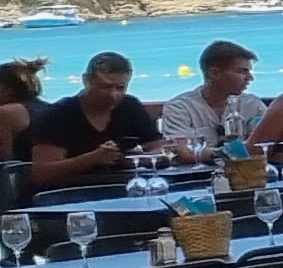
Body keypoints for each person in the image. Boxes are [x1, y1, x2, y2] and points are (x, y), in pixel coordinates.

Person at [24, 51, 157, 189]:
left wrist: (137, 158)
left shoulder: (130, 106)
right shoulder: (58, 114)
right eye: (105, 87)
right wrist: (92, 159)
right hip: (72, 190)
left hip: (125, 186)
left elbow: (157, 146)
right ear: (86, 80)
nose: (113, 95)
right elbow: (41, 174)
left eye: (120, 88)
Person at [156, 39, 263, 161]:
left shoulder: (252, 104)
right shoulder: (180, 108)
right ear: (214, 73)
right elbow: (181, 151)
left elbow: (264, 141)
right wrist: (228, 152)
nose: (250, 78)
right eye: (242, 72)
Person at [0, 56, 42, 165]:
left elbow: (4, 162)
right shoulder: (51, 108)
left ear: (5, 90)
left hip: (23, 174)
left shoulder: (6, 113)